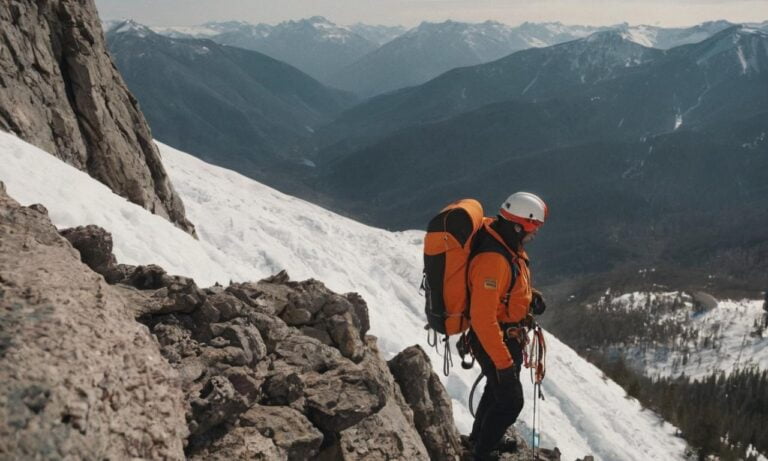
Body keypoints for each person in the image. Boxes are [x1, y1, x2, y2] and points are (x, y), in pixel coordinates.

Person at [467, 192, 548, 460]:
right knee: (512, 400)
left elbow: (504, 288)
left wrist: (528, 297)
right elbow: (482, 318)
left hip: (505, 335)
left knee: (495, 391)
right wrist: (502, 363)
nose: (532, 236)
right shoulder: (494, 259)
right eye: (530, 229)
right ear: (517, 225)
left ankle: (479, 442)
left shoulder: (505, 245)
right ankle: (480, 454)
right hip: (493, 339)